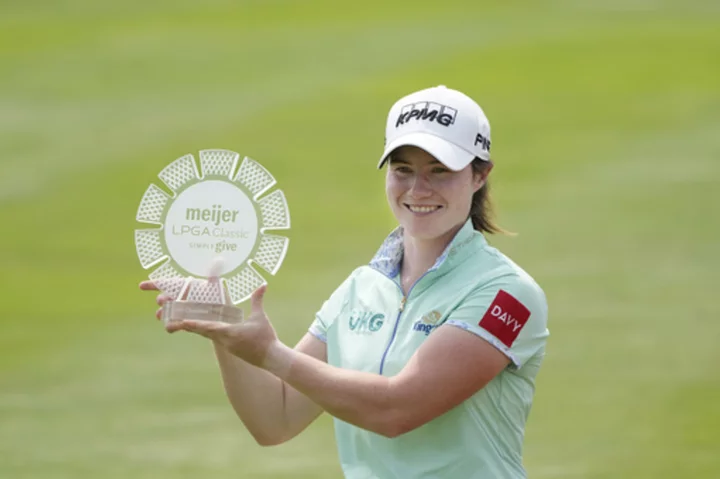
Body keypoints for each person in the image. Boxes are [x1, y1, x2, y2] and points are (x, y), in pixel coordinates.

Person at [140, 85, 549, 479]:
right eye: (402, 170)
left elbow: (396, 411)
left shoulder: (507, 294)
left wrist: (271, 354)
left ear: (480, 176)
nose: (417, 189)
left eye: (439, 171)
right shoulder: (360, 289)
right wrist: (224, 329)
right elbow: (275, 420)